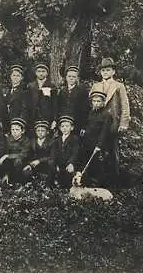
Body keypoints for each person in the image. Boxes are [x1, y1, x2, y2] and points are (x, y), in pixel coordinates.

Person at [89, 57, 131, 186]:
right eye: (103, 70)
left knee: (112, 152)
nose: (105, 73)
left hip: (112, 124)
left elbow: (125, 105)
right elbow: (91, 105)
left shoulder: (119, 86)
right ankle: (96, 179)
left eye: (108, 70)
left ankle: (114, 181)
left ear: (113, 72)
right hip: (98, 125)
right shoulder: (96, 85)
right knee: (96, 150)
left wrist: (123, 123)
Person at [81, 91, 114, 188]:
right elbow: (87, 124)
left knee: (97, 164)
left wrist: (99, 146)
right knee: (87, 162)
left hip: (98, 145)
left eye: (98, 101)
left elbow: (104, 133)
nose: (96, 103)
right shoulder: (91, 112)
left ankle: (98, 184)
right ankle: (87, 183)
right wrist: (83, 130)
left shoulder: (106, 115)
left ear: (103, 103)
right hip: (88, 142)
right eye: (94, 101)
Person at [56, 66, 90, 137]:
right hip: (63, 123)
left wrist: (83, 126)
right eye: (69, 76)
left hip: (76, 123)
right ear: (66, 77)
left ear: (77, 78)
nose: (71, 78)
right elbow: (58, 107)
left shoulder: (82, 91)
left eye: (74, 77)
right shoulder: (62, 91)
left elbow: (85, 110)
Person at [25, 64, 58, 135]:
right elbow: (27, 103)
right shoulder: (31, 86)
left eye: (43, 71)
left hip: (47, 118)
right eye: (39, 71)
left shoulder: (52, 86)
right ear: (36, 73)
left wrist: (55, 119)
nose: (41, 73)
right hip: (33, 118)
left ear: (47, 73)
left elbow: (55, 104)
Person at [0, 117, 31, 185]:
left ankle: (15, 181)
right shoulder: (8, 139)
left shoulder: (26, 140)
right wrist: (5, 156)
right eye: (12, 129)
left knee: (18, 161)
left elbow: (24, 154)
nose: (14, 131)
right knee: (4, 162)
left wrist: (8, 156)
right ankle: (5, 177)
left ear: (23, 131)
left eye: (17, 129)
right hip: (10, 162)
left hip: (22, 161)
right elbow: (5, 151)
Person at [22, 120, 56, 186]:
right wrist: (30, 164)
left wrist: (39, 161)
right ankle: (29, 187)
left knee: (51, 164)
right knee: (26, 170)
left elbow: (52, 156)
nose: (40, 133)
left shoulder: (51, 142)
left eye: (42, 131)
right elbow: (29, 155)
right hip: (35, 165)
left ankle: (48, 187)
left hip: (46, 165)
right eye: (38, 131)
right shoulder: (32, 141)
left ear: (47, 132)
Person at [50, 115, 80, 188]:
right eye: (62, 126)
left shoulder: (74, 139)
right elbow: (53, 153)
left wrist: (71, 163)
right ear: (60, 128)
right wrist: (54, 163)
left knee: (68, 176)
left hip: (68, 165)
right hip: (59, 164)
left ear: (72, 128)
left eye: (67, 126)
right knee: (51, 169)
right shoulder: (57, 140)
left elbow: (75, 153)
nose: (65, 128)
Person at [3, 64, 28, 132]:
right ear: (11, 76)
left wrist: (20, 123)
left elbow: (24, 109)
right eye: (14, 75)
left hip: (17, 124)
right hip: (7, 123)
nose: (15, 77)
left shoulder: (24, 91)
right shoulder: (7, 90)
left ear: (21, 78)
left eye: (18, 76)